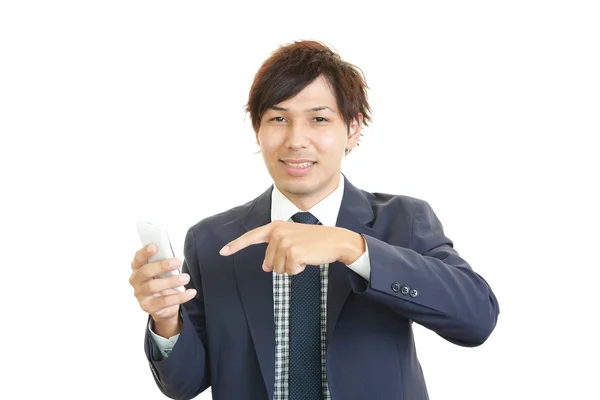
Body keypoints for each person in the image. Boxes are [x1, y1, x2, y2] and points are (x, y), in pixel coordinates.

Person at [129, 40, 500, 400]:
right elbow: (183, 385)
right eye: (278, 118)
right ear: (257, 128)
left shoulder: (403, 220)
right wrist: (166, 319)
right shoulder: (213, 240)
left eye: (319, 119)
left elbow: (477, 319)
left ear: (352, 130)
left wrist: (351, 247)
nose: (296, 140)